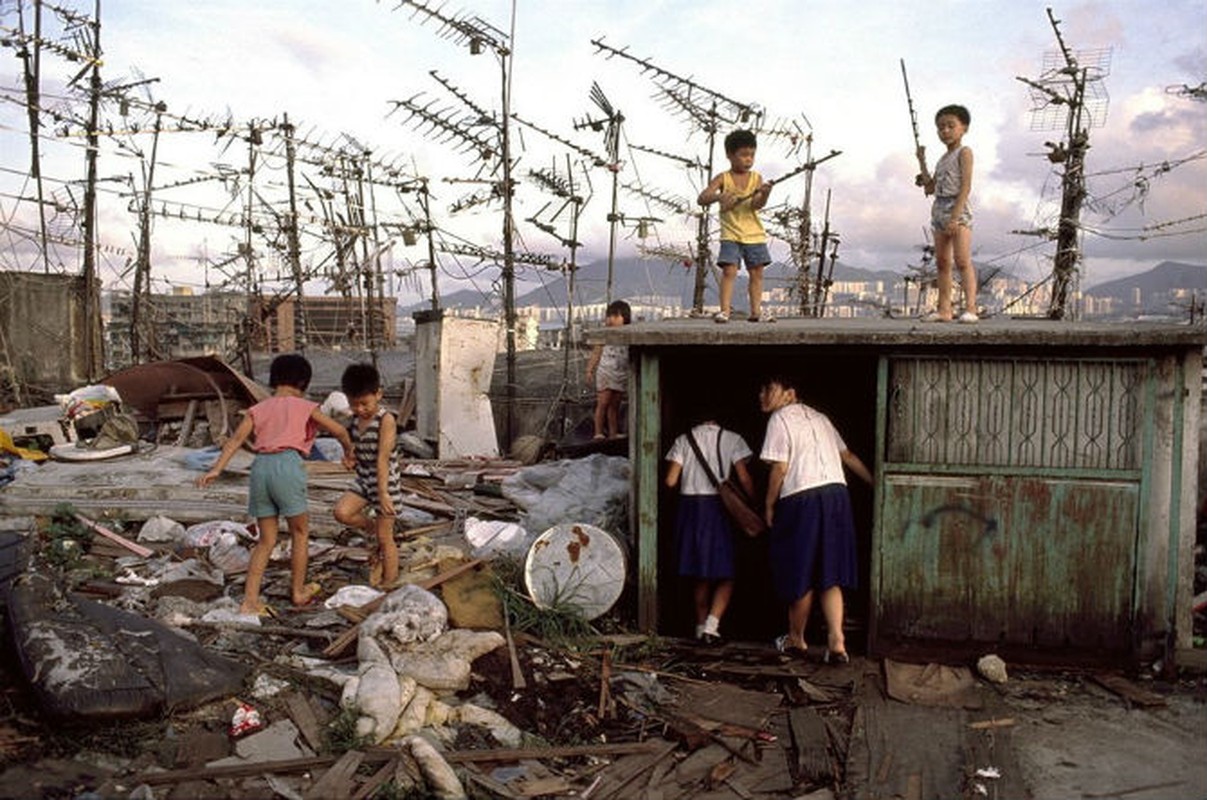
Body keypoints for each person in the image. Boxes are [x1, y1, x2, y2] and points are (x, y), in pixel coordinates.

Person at [198, 354, 354, 614]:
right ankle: (298, 591)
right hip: (287, 465)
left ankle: (249, 601)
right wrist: (349, 453)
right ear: (303, 381)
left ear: (273, 379)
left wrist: (216, 469)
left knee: (265, 541)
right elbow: (340, 431)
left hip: (260, 468)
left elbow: (235, 440)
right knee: (300, 533)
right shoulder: (305, 407)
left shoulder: (258, 409)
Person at [759, 375, 872, 663]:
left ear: (789, 394)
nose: (762, 395)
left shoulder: (779, 419)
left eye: (769, 389)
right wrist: (875, 484)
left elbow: (780, 468)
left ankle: (796, 639)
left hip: (802, 497)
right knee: (829, 569)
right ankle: (837, 642)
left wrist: (769, 505)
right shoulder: (821, 418)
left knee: (801, 569)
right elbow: (847, 456)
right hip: (837, 494)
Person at [664, 410, 757, 645]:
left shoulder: (683, 440)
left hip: (691, 509)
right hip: (719, 509)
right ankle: (712, 627)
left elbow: (670, 481)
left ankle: (699, 626)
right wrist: (754, 502)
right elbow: (744, 478)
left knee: (700, 573)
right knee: (727, 572)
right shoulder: (733, 438)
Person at [332, 363, 402, 588]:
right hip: (364, 480)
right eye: (354, 404)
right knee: (342, 512)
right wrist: (349, 459)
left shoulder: (386, 420)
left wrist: (383, 494)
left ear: (378, 394)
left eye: (364, 403)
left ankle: (389, 584)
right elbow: (355, 453)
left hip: (386, 483)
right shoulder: (353, 422)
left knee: (385, 539)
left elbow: (382, 457)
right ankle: (371, 525)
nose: (360, 409)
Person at [697, 129, 775, 324]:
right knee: (729, 271)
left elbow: (756, 205)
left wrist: (765, 193)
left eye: (752, 155)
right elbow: (702, 198)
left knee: (757, 272)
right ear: (730, 155)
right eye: (743, 155)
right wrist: (719, 196)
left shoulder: (756, 178)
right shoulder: (723, 178)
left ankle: (756, 311)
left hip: (754, 234)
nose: (748, 159)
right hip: (731, 233)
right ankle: (725, 311)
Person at [916, 104, 978, 323]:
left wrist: (955, 217)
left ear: (964, 128)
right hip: (939, 209)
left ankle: (971, 308)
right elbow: (930, 188)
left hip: (957, 209)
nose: (945, 131)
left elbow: (966, 187)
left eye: (951, 126)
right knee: (942, 262)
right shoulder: (942, 159)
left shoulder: (965, 152)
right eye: (941, 127)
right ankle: (944, 310)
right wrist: (921, 160)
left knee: (962, 260)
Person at [585, 299, 631, 440]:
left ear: (625, 318)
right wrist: (589, 370)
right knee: (603, 403)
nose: (611, 320)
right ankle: (598, 432)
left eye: (615, 317)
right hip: (606, 373)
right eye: (609, 316)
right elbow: (596, 353)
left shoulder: (629, 335)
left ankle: (613, 433)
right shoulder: (604, 334)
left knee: (614, 406)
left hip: (620, 374)